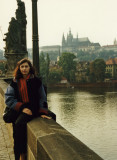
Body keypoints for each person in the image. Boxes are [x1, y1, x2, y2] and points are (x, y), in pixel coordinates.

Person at [5, 58, 51, 160]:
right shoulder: (15, 81)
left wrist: (42, 112)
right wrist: (21, 107)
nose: (24, 69)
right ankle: (19, 154)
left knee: (19, 124)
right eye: (22, 67)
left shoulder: (36, 81)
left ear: (30, 68)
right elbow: (8, 98)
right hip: (20, 109)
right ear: (19, 68)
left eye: (26, 66)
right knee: (16, 130)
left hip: (31, 109)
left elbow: (42, 97)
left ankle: (22, 155)